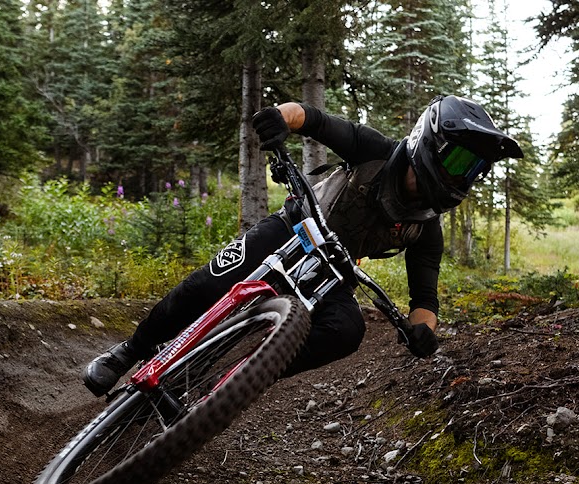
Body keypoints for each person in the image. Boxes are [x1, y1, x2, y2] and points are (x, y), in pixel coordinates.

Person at [82, 95, 523, 396]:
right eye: (460, 160)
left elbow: (424, 296)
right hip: (292, 230)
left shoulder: (427, 228)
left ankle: (238, 381)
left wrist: (423, 330)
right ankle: (130, 352)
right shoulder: (375, 152)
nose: (463, 175)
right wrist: (279, 118)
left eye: (474, 169)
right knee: (206, 285)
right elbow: (311, 118)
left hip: (334, 274)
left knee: (348, 332)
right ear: (432, 142)